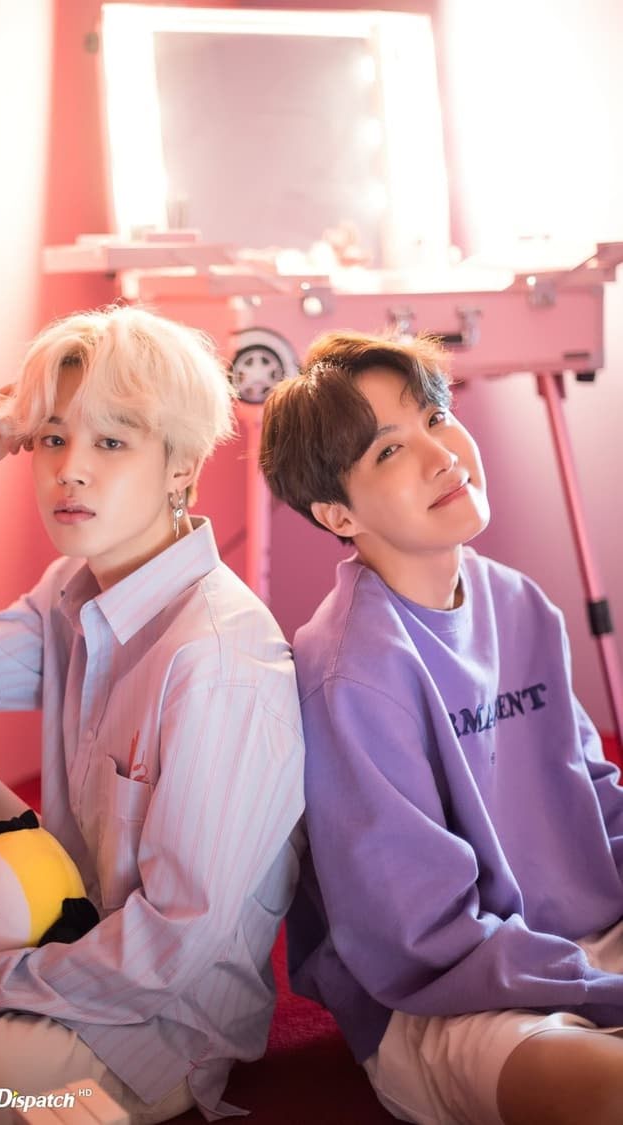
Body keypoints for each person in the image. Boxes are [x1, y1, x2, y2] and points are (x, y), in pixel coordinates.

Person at [0, 304, 305, 1124]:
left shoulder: (220, 663)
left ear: (181, 467)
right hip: (52, 919)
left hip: (145, 1036)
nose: (70, 469)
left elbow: (169, 952)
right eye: (52, 438)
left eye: (111, 441)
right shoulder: (72, 594)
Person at [259, 329, 623, 1125]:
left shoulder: (520, 601)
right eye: (390, 450)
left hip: (585, 940)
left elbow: (597, 799)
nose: (441, 454)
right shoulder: (349, 671)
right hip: (451, 999)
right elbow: (418, 937)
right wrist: (599, 987)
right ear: (337, 512)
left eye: (435, 417)